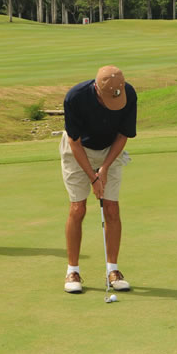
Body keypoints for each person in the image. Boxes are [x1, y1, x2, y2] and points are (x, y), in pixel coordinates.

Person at [59, 65, 137, 294]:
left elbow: (123, 135)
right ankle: (72, 270)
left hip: (110, 150)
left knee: (112, 208)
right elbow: (74, 141)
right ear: (97, 90)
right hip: (78, 150)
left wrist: (103, 169)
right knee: (77, 207)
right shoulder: (75, 97)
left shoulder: (129, 94)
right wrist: (93, 177)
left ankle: (113, 270)